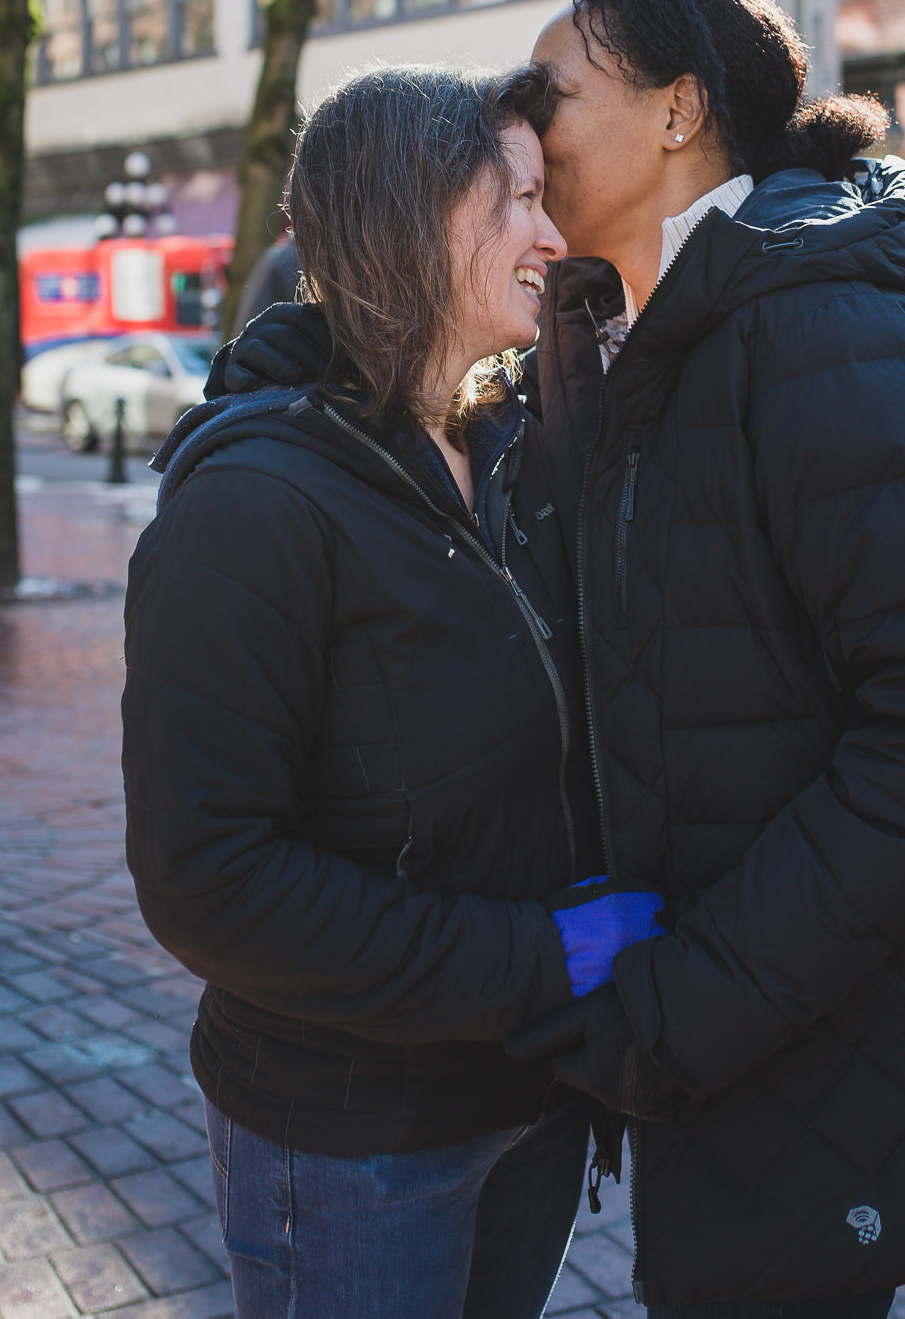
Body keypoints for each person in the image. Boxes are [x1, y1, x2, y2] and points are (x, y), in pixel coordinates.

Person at [500, 0, 905, 1318]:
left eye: (552, 89)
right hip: (716, 1034)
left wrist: (684, 1005)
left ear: (677, 109)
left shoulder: (823, 316)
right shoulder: (614, 334)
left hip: (797, 1036)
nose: (521, 126)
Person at [121, 66, 662, 1319]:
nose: (551, 233)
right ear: (412, 217)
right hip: (357, 1138)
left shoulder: (510, 449)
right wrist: (538, 960)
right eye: (517, 201)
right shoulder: (252, 503)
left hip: (532, 1094)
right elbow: (210, 880)